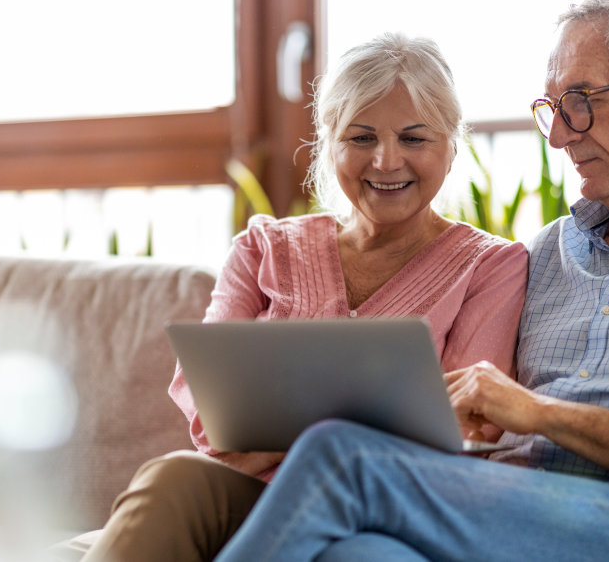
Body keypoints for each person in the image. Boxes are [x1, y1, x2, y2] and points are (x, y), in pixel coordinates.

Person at [212, 0, 609, 561]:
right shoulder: (547, 254)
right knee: (357, 555)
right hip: (506, 508)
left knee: (343, 454)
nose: (559, 136)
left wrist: (537, 413)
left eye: (581, 101)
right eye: (553, 109)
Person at [66, 32, 528, 562]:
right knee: (175, 475)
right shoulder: (263, 247)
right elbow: (213, 415)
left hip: (379, 512)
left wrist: (280, 443)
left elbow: (464, 427)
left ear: (451, 144)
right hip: (251, 496)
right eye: (360, 138)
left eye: (414, 139)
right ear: (329, 142)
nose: (385, 160)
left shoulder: (491, 266)